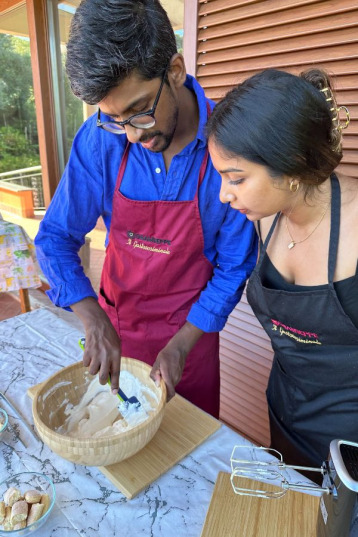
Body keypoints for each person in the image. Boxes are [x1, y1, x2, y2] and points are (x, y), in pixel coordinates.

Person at [34, 0, 257, 418]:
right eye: (114, 118)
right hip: (118, 331)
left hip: (192, 338)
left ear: (174, 71)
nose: (132, 137)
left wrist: (183, 344)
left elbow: (234, 266)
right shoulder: (100, 139)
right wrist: (92, 318)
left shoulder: (228, 147)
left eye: (139, 111)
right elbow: (55, 238)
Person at [206, 67, 357, 476]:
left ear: (290, 165)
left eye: (235, 178)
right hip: (285, 416)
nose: (224, 193)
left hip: (351, 450)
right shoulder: (263, 216)